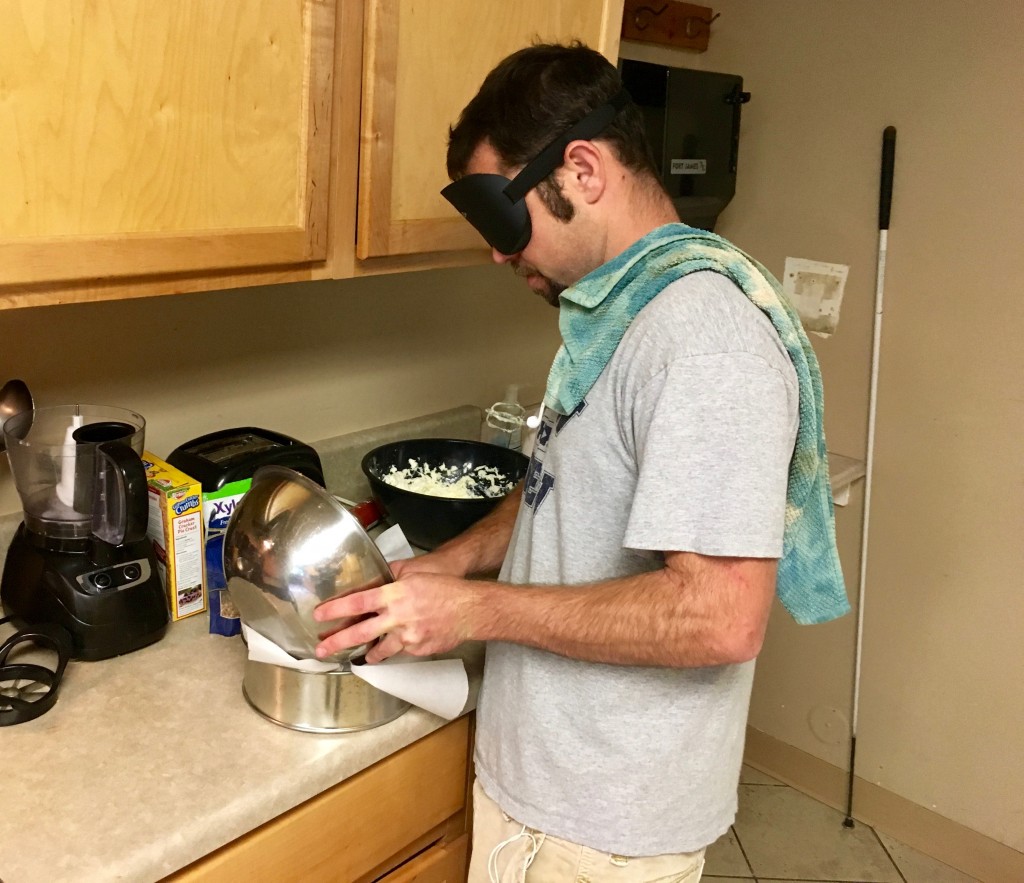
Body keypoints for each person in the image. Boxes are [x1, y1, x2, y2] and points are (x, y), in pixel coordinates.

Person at [314, 42, 847, 883]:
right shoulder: (613, 316)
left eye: (501, 218)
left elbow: (720, 616)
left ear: (583, 170)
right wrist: (448, 562)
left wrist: (474, 612)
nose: (497, 252)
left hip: (601, 831)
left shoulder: (703, 341)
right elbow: (555, 489)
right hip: (543, 794)